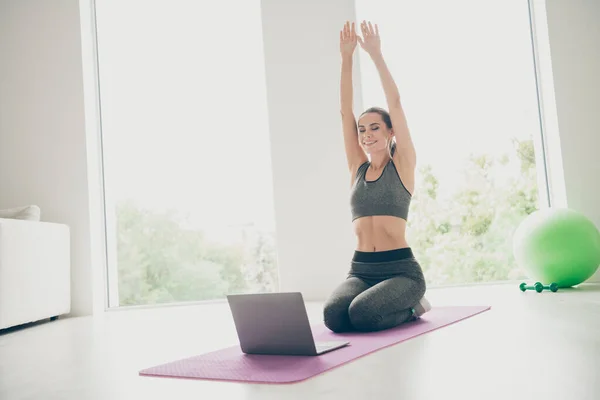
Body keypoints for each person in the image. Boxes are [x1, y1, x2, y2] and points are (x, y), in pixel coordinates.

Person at [323, 20, 431, 333]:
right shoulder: (357, 167)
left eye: (375, 128)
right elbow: (345, 112)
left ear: (389, 131)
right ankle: (383, 303)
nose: (367, 134)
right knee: (334, 317)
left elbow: (395, 104)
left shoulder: (403, 165)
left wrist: (375, 55)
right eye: (362, 129)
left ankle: (413, 306)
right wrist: (346, 59)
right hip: (360, 270)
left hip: (401, 271)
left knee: (363, 315)